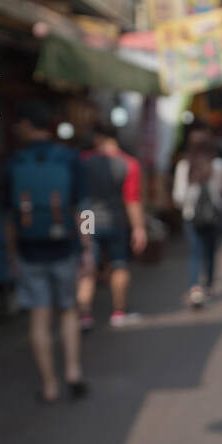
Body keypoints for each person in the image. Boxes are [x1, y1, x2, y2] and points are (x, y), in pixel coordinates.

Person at [3, 99, 89, 403]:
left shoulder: (14, 163)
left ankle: (50, 385)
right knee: (68, 311)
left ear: (26, 125)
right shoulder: (69, 159)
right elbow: (80, 210)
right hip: (64, 247)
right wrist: (87, 248)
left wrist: (12, 256)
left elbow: (9, 219)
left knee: (39, 317)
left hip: (29, 250)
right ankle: (74, 372)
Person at [77, 120, 146, 329]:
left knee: (87, 268)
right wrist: (139, 228)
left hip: (86, 220)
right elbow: (132, 200)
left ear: (97, 136)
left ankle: (85, 315)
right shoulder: (129, 164)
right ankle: (118, 311)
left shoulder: (83, 161)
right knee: (119, 264)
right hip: (115, 220)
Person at [172, 129, 222, 308]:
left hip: (191, 215)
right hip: (214, 215)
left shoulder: (184, 165)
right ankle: (209, 286)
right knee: (211, 251)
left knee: (195, 252)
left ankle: (195, 288)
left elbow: (179, 196)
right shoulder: (219, 164)